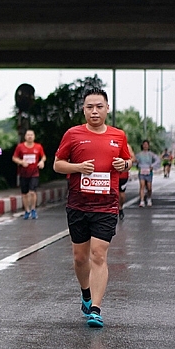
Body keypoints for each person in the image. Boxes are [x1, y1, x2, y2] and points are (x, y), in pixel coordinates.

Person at [53, 88, 131, 328]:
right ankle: (86, 294)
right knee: (80, 257)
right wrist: (78, 168)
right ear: (84, 109)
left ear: (108, 108)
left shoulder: (118, 136)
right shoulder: (73, 134)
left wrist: (124, 163)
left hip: (107, 205)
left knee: (99, 254)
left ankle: (96, 308)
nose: (95, 111)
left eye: (99, 106)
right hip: (78, 204)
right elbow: (57, 165)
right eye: (90, 107)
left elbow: (128, 161)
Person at [12, 129, 46, 220]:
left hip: (34, 173)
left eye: (31, 135)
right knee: (25, 193)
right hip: (23, 173)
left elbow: (43, 157)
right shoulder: (20, 147)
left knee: (32, 191)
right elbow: (14, 158)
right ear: (25, 136)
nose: (30, 136)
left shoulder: (38, 147)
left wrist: (42, 162)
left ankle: (33, 209)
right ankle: (27, 210)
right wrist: (21, 162)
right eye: (28, 135)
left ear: (34, 136)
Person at [134, 140, 161, 207]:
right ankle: (142, 201)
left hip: (149, 172)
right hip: (142, 172)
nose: (145, 146)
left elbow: (158, 160)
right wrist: (137, 164)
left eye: (146, 144)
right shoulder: (139, 154)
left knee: (149, 187)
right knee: (142, 186)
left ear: (148, 146)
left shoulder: (151, 154)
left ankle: (149, 198)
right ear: (142, 145)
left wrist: (152, 166)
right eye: (144, 144)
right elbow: (134, 161)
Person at [117, 143, 133, 221]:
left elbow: (132, 158)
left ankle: (120, 208)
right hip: (110, 174)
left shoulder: (126, 146)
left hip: (123, 175)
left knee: (121, 194)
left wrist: (124, 164)